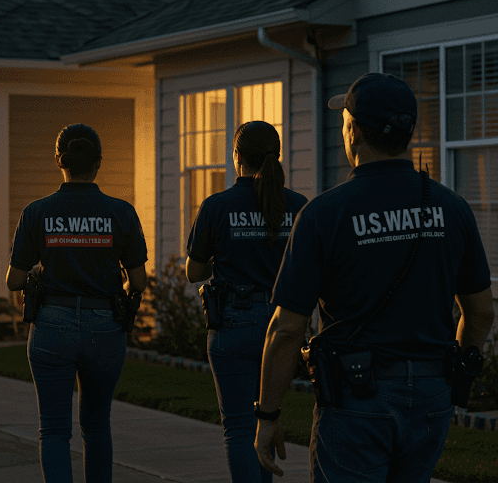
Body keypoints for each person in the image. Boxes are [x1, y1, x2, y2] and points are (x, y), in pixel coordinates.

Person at [254, 73, 495, 482]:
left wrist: (268, 414)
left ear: (354, 132)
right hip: (431, 395)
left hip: (356, 399)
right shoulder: (452, 208)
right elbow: (481, 312)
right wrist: (453, 381)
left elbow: (286, 329)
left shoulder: (324, 215)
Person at [5, 123, 148, 483]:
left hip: (52, 322)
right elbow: (139, 282)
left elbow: (14, 280)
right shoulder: (121, 212)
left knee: (53, 429)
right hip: (105, 324)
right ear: (99, 162)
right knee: (97, 425)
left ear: (59, 161)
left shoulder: (37, 212)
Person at [185, 120, 309, 482]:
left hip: (234, 322)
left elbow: (194, 272)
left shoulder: (217, 206)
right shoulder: (298, 206)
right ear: (277, 156)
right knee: (266, 418)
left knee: (239, 429)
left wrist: (226, 256)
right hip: (284, 325)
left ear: (237, 156)